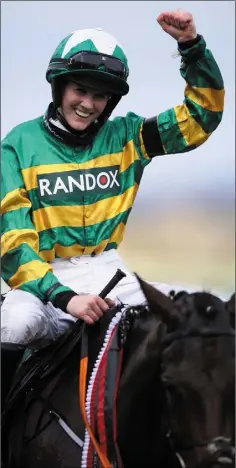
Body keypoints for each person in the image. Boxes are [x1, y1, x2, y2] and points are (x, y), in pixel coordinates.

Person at [1, 9, 224, 354]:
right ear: (60, 86)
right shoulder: (17, 145)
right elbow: (13, 241)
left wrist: (191, 46)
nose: (88, 104)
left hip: (109, 272)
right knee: (15, 323)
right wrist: (64, 297)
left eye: (100, 96)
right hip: (41, 282)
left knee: (201, 312)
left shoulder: (128, 136)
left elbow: (201, 118)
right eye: (80, 90)